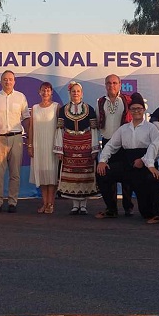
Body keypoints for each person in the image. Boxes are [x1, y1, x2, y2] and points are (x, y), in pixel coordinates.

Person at [97, 93, 159, 223]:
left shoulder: (151, 128)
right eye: (133, 109)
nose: (136, 111)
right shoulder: (124, 129)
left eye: (139, 108)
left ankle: (158, 214)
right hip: (128, 165)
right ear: (130, 111)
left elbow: (158, 148)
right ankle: (111, 209)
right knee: (103, 173)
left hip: (145, 165)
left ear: (144, 110)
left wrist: (143, 160)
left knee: (146, 212)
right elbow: (111, 145)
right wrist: (102, 161)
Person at [53, 82, 100, 216]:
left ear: (82, 93)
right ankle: (75, 205)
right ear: (70, 93)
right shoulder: (63, 110)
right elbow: (59, 129)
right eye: (73, 91)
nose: (76, 93)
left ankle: (83, 205)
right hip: (69, 144)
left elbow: (94, 129)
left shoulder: (90, 109)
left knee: (85, 174)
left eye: (78, 91)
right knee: (71, 174)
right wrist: (59, 149)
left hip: (85, 143)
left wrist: (94, 148)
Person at [0, 70, 30, 213]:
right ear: (1, 81)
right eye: (5, 79)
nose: (8, 81)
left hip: (16, 138)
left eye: (10, 79)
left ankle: (12, 202)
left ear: (14, 81)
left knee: (15, 173)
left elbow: (26, 118)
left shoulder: (20, 97)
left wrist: (30, 137)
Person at [97, 74, 133, 216]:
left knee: (127, 178)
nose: (111, 85)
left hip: (124, 144)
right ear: (105, 85)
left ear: (120, 85)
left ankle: (128, 207)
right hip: (107, 142)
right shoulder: (100, 102)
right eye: (108, 83)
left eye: (114, 83)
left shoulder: (127, 100)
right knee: (107, 176)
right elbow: (98, 121)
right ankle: (111, 208)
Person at [27, 82, 60, 214]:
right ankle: (45, 203)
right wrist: (30, 145)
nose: (45, 93)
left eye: (48, 90)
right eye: (43, 90)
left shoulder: (56, 107)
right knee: (42, 175)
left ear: (51, 92)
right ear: (39, 92)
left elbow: (60, 128)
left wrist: (59, 146)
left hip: (52, 145)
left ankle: (51, 204)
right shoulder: (34, 108)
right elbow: (31, 128)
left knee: (51, 175)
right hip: (38, 145)